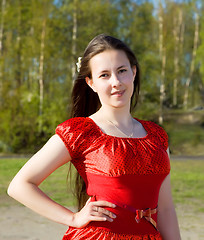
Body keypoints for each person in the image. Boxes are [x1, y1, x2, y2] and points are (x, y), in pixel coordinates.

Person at [8, 34, 181, 239]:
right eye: (104, 75)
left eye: (122, 71)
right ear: (91, 83)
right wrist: (73, 218)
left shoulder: (157, 136)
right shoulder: (80, 132)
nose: (116, 82)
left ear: (133, 72)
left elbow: (166, 208)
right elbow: (20, 185)